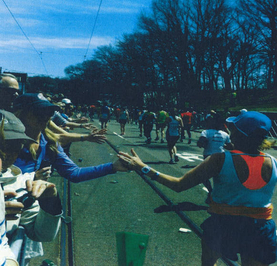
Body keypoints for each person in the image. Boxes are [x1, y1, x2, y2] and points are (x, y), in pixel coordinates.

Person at [118, 111, 277, 266]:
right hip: (260, 227)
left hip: (224, 224)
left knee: (209, 262)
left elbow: (178, 185)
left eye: (233, 128)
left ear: (238, 133)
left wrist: (143, 167)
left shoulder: (220, 160)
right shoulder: (273, 162)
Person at [12, 93, 128, 182]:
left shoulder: (49, 142)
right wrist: (31, 179)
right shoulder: (6, 141)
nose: (46, 116)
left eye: (49, 112)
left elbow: (74, 173)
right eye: (38, 112)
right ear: (21, 113)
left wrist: (113, 167)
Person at [0, 109, 62, 265]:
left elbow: (42, 234)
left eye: (16, 145)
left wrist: (50, 201)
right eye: (3, 145)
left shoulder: (20, 184)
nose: (7, 153)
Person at [197, 113, 233, 202]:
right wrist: (223, 144)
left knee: (203, 176)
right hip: (221, 157)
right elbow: (231, 147)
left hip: (208, 156)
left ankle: (210, 191)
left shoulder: (206, 132)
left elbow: (200, 143)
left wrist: (204, 144)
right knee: (219, 176)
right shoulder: (225, 134)